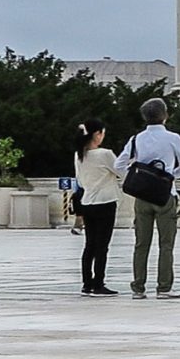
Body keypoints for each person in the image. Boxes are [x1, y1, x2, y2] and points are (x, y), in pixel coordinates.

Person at [117, 98, 180, 299]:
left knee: (141, 243)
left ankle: (138, 287)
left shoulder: (136, 139)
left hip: (142, 196)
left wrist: (137, 177)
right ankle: (164, 287)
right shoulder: (173, 138)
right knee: (166, 244)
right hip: (165, 195)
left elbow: (119, 164)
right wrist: (167, 177)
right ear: (165, 115)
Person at [72, 120, 121, 296]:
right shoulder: (105, 154)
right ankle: (99, 282)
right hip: (105, 201)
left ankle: (87, 283)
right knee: (102, 245)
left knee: (90, 244)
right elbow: (121, 172)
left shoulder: (79, 156)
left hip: (87, 202)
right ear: (97, 134)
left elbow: (79, 180)